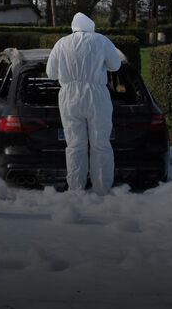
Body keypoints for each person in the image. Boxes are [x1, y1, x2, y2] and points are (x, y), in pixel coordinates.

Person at [46, 12, 122, 195]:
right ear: (91, 25)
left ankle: (76, 188)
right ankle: (102, 189)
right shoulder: (102, 41)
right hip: (97, 96)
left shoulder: (61, 43)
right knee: (101, 144)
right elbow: (115, 65)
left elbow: (51, 73)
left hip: (69, 98)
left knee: (74, 145)